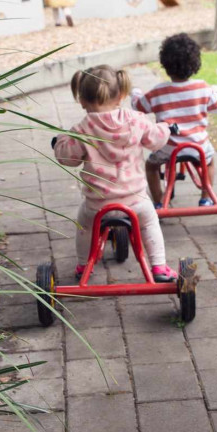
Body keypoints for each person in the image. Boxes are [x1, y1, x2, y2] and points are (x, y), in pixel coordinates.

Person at [52, 65, 178, 282]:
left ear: (81, 99)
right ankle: (159, 266)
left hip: (97, 205)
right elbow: (156, 139)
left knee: (84, 226)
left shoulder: (82, 130)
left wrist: (58, 143)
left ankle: (83, 265)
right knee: (149, 222)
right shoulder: (136, 120)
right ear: (121, 96)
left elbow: (67, 157)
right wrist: (167, 128)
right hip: (135, 202)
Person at [131, 33, 217, 208]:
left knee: (151, 166)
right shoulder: (203, 88)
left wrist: (135, 93)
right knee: (210, 161)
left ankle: (159, 202)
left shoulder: (158, 92)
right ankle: (206, 197)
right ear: (195, 63)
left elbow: (139, 106)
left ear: (165, 64)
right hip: (199, 147)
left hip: (168, 147)